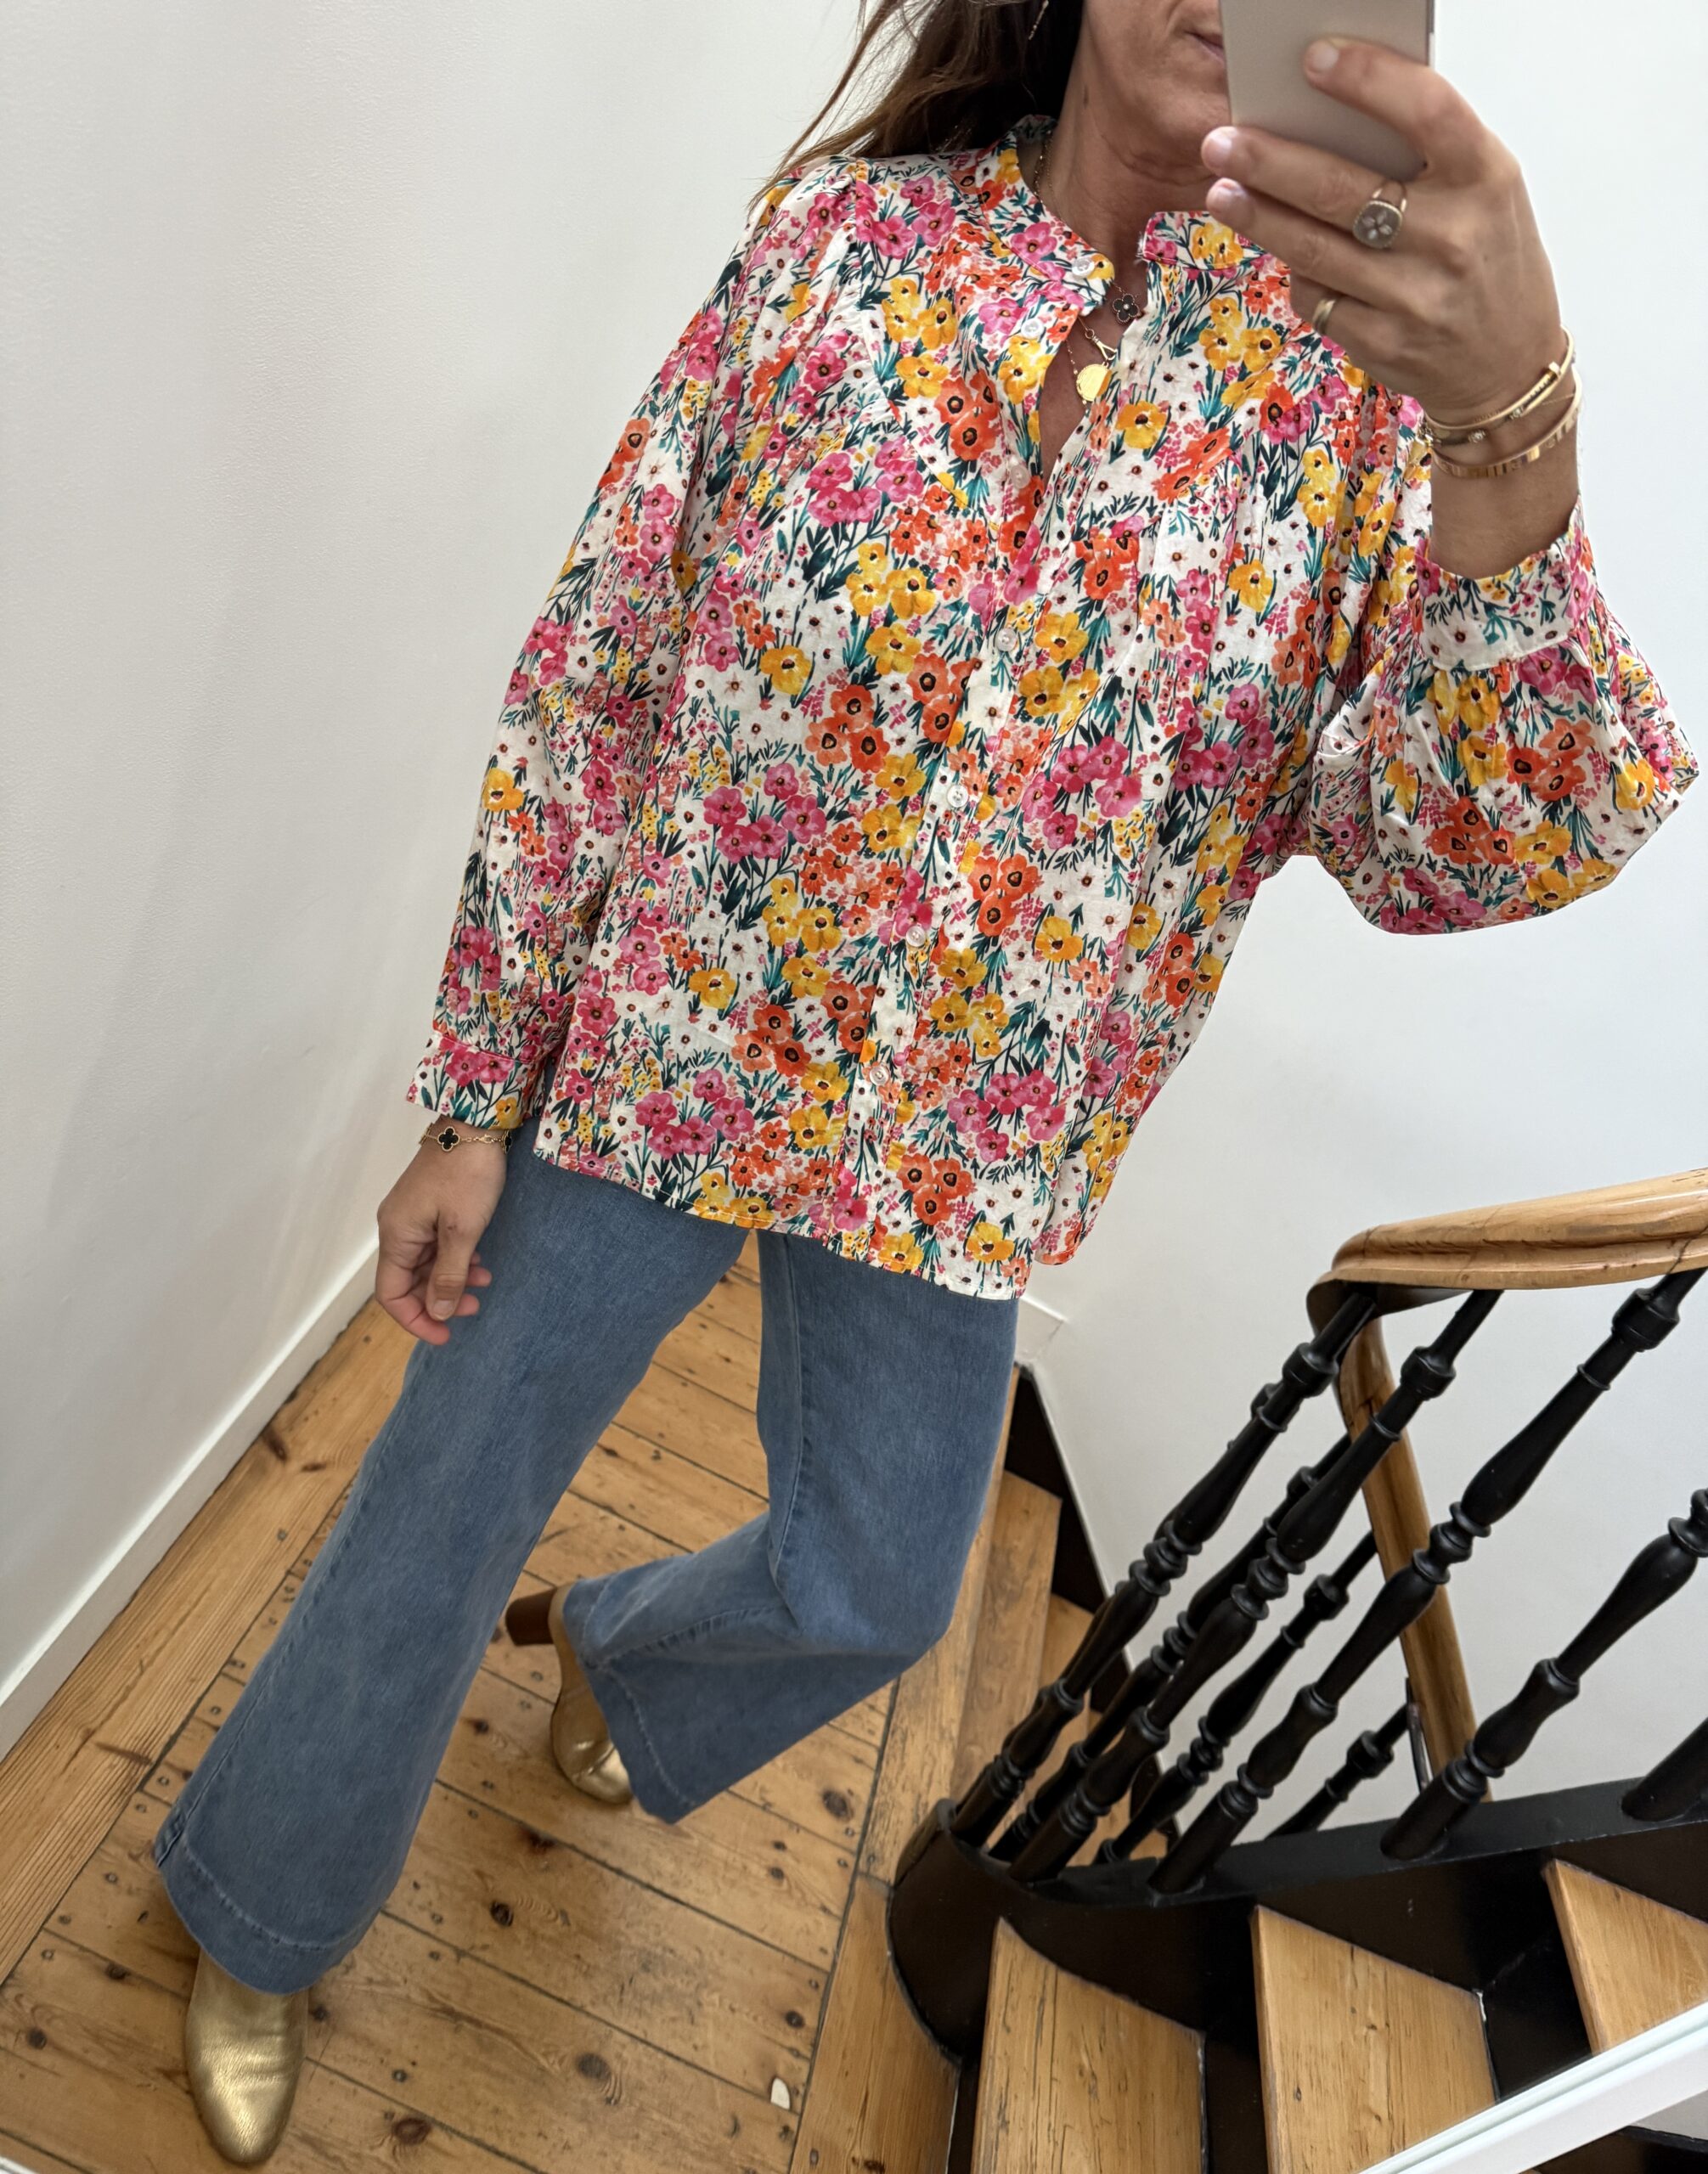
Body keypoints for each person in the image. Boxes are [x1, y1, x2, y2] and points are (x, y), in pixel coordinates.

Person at [153, 0, 1695, 2158]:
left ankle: (618, 1656)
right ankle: (260, 1908)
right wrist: (475, 1089)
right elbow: (602, 668)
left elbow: (1462, 848)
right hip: (672, 1039)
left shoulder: (1351, 411)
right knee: (442, 1489)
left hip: (959, 1152)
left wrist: (1512, 438)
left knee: (878, 1580)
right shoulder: (840, 257)